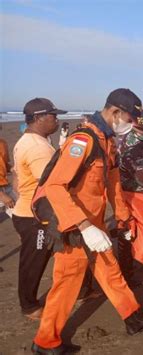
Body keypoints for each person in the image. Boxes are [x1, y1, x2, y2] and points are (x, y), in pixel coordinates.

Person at [32, 89, 143, 354]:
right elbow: (56, 186)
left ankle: (133, 318)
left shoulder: (108, 141)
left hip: (95, 225)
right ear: (115, 113)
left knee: (109, 270)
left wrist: (123, 219)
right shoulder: (83, 140)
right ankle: (45, 342)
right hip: (73, 227)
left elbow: (113, 183)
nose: (134, 124)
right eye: (130, 118)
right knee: (66, 282)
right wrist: (84, 226)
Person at [11, 98, 64, 320]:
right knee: (34, 262)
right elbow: (51, 183)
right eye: (53, 116)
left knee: (59, 255)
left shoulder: (32, 140)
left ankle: (81, 288)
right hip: (35, 217)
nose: (57, 120)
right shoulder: (37, 148)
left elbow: (16, 175)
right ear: (39, 118)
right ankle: (30, 306)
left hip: (31, 210)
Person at [0, 123, 15, 213]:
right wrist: (1, 195)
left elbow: (4, 164)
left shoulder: (3, 143)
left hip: (5, 185)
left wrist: (15, 170)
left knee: (18, 212)